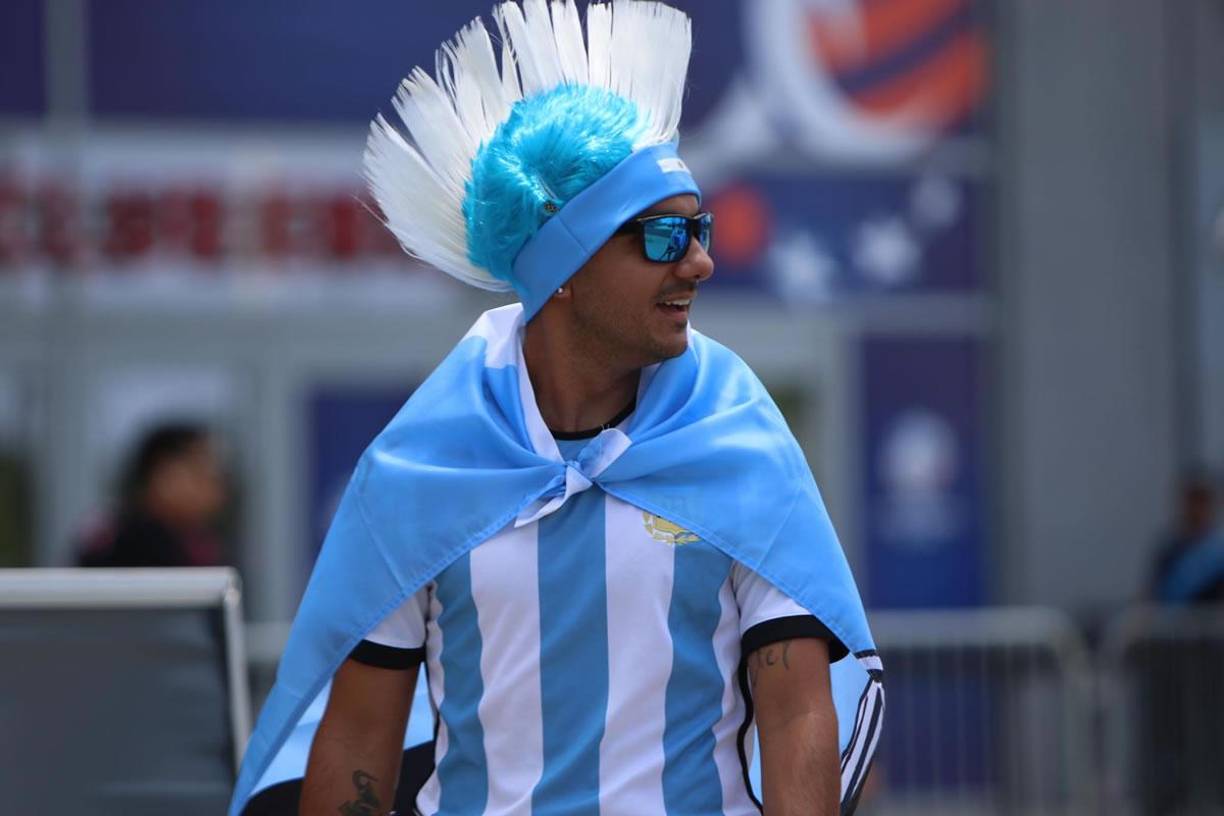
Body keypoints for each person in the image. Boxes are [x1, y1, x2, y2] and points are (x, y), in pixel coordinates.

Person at [231, 2, 882, 815]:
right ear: (565, 268)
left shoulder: (735, 438)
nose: (702, 263)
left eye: (700, 230)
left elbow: (796, 717)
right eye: (663, 238)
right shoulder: (426, 462)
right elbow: (361, 740)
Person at [77, 421, 228, 568]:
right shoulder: (129, 545)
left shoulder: (196, 543)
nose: (214, 488)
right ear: (163, 474)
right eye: (199, 472)